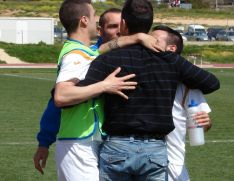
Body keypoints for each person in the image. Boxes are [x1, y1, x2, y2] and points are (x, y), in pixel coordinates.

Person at [77, 0, 219, 180]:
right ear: (149, 25)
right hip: (155, 149)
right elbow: (212, 83)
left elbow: (81, 90)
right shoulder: (170, 60)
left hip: (117, 146)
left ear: (123, 24)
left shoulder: (108, 59)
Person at [33, 2, 161, 179]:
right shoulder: (75, 55)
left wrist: (138, 37)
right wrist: (105, 86)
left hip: (94, 142)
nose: (96, 20)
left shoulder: (88, 52)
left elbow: (102, 49)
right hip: (77, 142)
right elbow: (60, 97)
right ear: (85, 20)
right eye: (94, 16)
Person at [151, 25, 212, 181]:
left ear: (171, 48)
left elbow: (202, 123)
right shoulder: (142, 72)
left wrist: (205, 122)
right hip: (141, 161)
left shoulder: (187, 85)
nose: (148, 42)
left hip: (172, 165)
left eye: (154, 40)